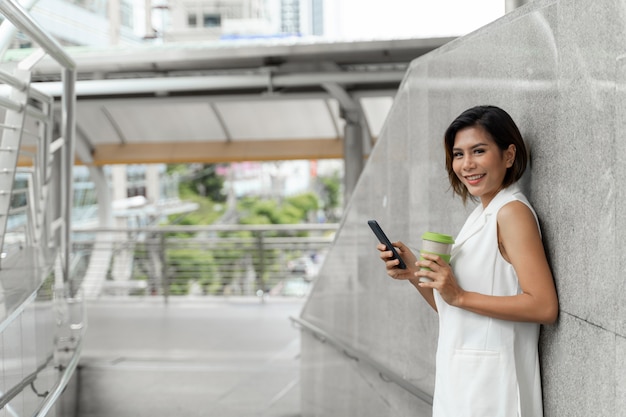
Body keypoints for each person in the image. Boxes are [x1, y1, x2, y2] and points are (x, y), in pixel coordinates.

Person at [377, 105, 558, 417]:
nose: (466, 164)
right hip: (462, 381)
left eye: (478, 150)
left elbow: (543, 306)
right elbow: (454, 309)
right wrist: (415, 275)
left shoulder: (512, 213)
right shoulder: (482, 214)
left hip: (493, 388)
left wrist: (458, 294)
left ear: (509, 155)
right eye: (458, 154)